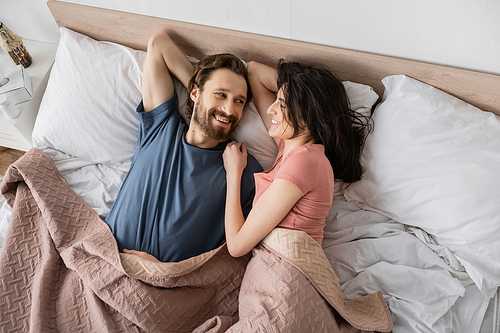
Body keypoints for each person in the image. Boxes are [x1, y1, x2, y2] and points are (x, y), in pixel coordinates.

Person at [105, 31, 263, 263]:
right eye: (221, 95)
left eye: (239, 101)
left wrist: (159, 270)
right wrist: (201, 96)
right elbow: (158, 44)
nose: (230, 110)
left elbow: (241, 252)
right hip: (104, 259)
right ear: (194, 92)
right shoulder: (161, 126)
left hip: (164, 286)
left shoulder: (243, 167)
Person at [222, 59, 370, 257]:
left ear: (309, 115)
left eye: (282, 104)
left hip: (287, 272)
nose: (270, 110)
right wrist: (295, 86)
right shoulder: (290, 149)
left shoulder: (305, 162)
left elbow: (236, 246)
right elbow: (255, 72)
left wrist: (233, 172)